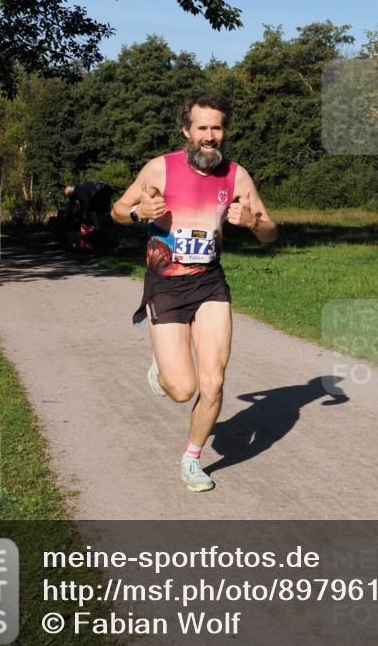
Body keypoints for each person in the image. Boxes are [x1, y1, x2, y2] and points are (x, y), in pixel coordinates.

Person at [111, 93, 278, 492]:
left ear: (224, 132)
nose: (209, 136)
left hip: (209, 283)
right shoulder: (159, 169)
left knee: (213, 382)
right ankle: (162, 366)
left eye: (216, 128)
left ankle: (191, 459)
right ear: (186, 130)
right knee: (182, 389)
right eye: (201, 128)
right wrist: (138, 214)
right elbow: (117, 210)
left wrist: (252, 221)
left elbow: (271, 232)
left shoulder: (236, 176)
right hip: (165, 285)